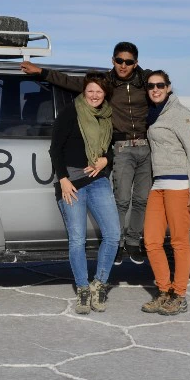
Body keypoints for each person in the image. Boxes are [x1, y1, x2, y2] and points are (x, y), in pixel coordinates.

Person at [22, 42, 151, 265]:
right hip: (119, 146)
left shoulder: (146, 82)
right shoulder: (104, 84)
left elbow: (161, 95)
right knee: (121, 198)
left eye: (128, 62)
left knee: (141, 198)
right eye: (119, 60)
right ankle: (117, 243)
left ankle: (133, 242)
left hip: (144, 145)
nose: (123, 65)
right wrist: (42, 72)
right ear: (113, 60)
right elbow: (71, 82)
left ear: (136, 63)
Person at [49, 72, 121, 314]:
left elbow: (110, 147)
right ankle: (82, 288)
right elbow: (55, 149)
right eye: (90, 90)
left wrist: (104, 160)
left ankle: (99, 284)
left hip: (98, 180)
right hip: (72, 182)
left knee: (113, 234)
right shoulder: (72, 111)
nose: (94, 95)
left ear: (105, 94)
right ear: (84, 91)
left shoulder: (106, 116)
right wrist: (63, 180)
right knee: (77, 239)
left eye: (99, 91)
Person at [140, 71, 190, 315]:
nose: (155, 89)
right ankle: (164, 291)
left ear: (168, 87)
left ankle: (180, 295)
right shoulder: (153, 113)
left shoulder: (180, 114)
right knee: (152, 241)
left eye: (160, 85)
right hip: (159, 185)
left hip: (179, 186)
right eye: (151, 86)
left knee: (179, 242)